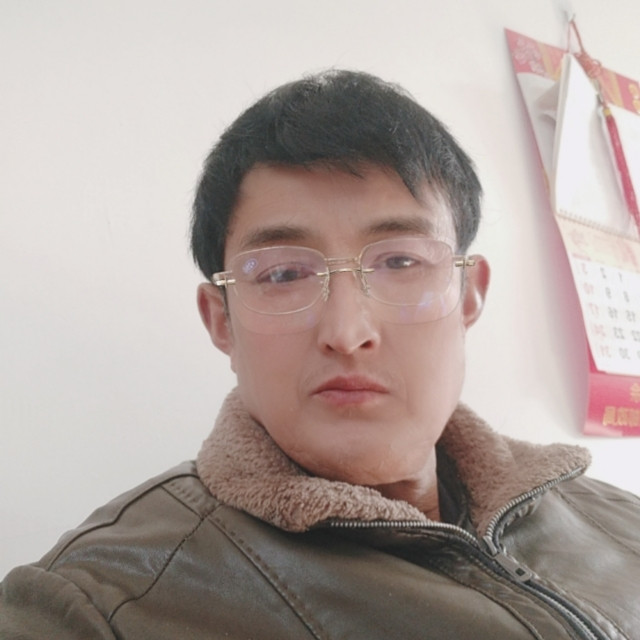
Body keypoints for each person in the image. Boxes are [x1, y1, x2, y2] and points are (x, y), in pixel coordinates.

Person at [1, 70, 639, 640]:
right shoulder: (101, 601)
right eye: (282, 274)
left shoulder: (614, 517)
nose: (347, 331)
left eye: (400, 261)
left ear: (468, 295)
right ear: (221, 320)